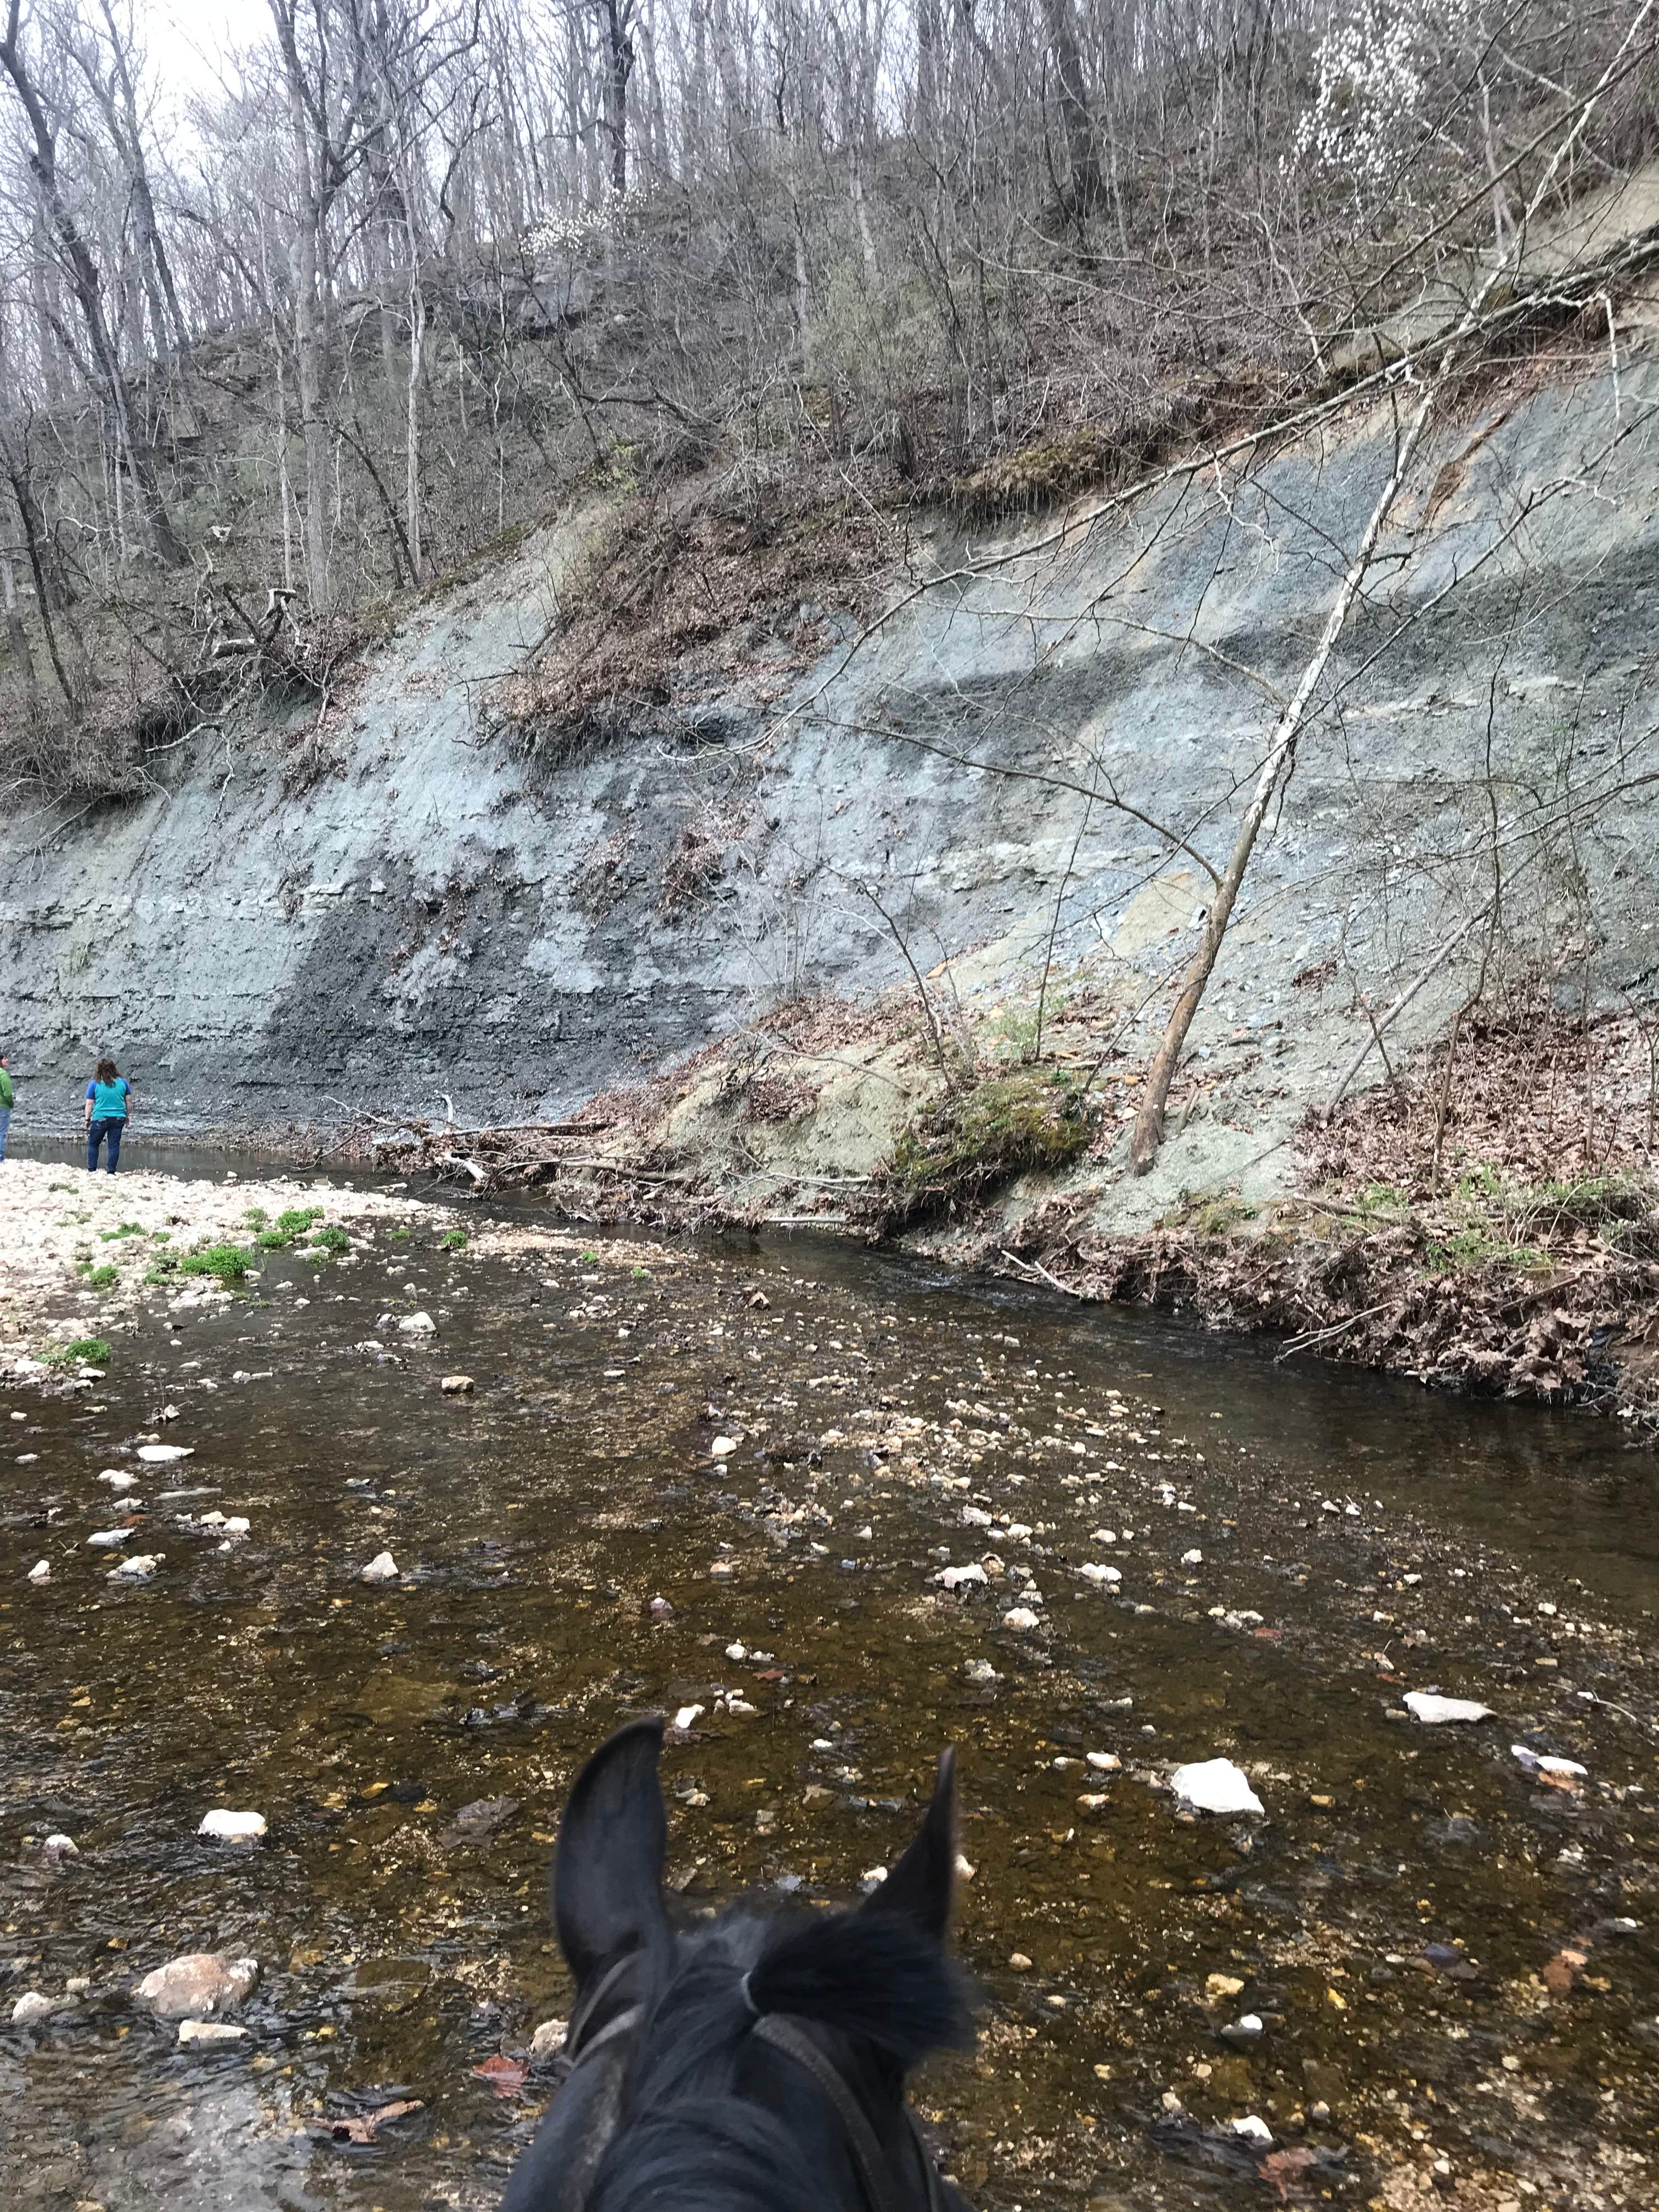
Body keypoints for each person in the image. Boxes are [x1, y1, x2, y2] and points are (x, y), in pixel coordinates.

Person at [84, 1057, 133, 1173]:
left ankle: (92, 1170)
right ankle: (111, 1171)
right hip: (118, 1118)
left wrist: (87, 1118)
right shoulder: (123, 1083)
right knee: (114, 1145)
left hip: (100, 1118)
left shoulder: (95, 1084)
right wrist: (127, 1116)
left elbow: (89, 1104)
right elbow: (128, 1102)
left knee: (93, 1143)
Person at [0, 1052, 12, 1160]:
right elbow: (8, 1093)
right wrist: (11, 1104)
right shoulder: (3, 1075)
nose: (7, 1060)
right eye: (4, 1058)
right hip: (3, 1106)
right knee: (2, 1133)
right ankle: (0, 1158)